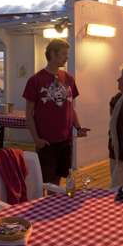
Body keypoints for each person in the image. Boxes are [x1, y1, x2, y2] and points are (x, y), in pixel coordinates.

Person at [23, 39, 89, 185]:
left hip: (65, 141)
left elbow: (70, 108)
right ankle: (44, 206)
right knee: (45, 181)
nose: (67, 57)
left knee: (59, 179)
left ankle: (54, 203)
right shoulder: (35, 81)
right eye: (64, 54)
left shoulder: (68, 79)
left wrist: (78, 127)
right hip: (46, 142)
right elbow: (28, 114)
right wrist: (36, 139)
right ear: (52, 54)